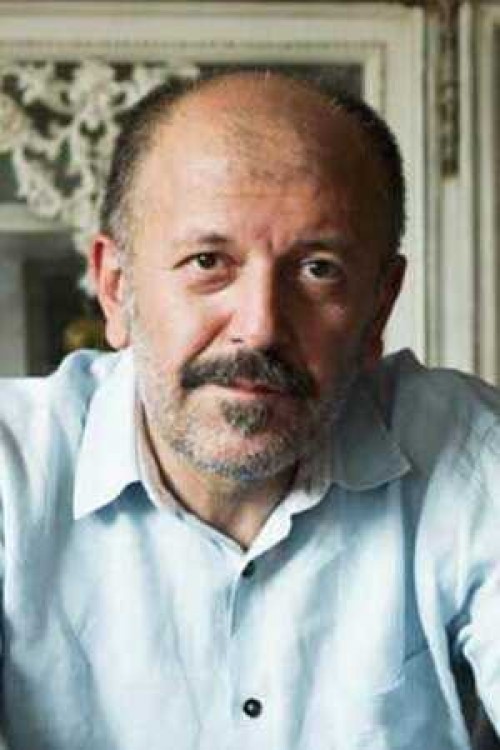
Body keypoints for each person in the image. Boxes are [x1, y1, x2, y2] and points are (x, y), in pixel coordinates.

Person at [0, 70, 499, 750]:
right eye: (208, 261)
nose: (259, 327)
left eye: (318, 269)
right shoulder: (15, 469)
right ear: (116, 289)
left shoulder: (468, 456)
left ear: (380, 306)